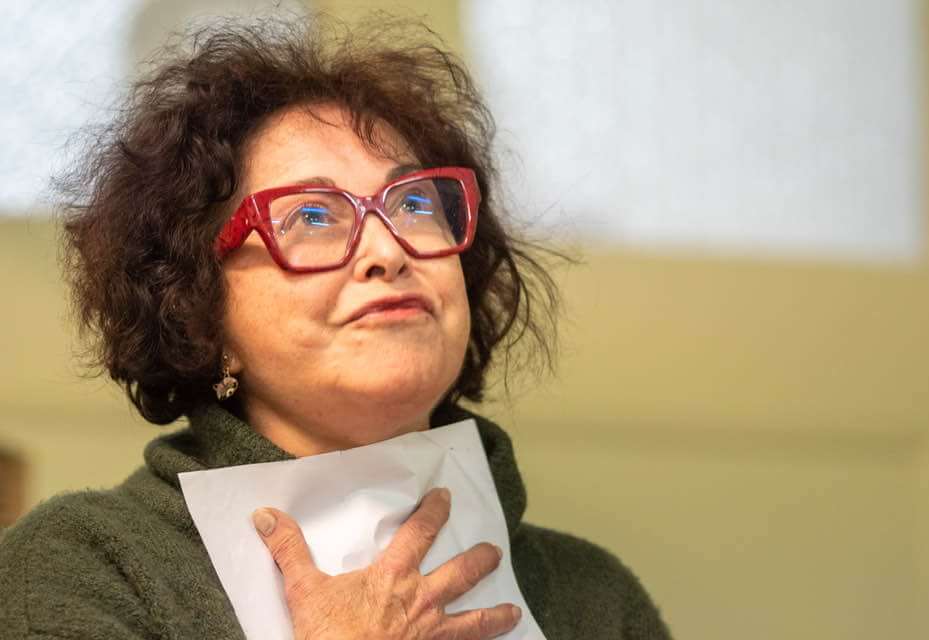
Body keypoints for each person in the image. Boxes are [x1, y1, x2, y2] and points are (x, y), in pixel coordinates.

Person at [0, 16, 672, 640]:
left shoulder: (596, 598)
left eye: (415, 204)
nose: (388, 250)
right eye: (313, 216)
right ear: (199, 312)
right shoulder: (79, 566)